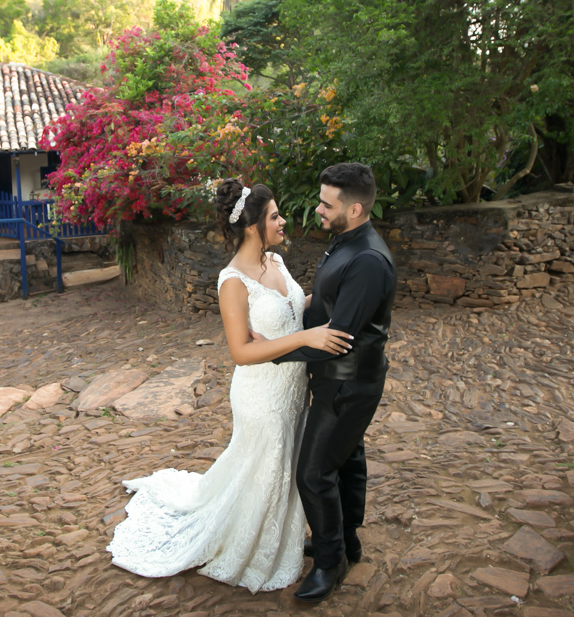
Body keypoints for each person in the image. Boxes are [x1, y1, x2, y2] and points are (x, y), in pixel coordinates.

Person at [106, 180, 354, 593]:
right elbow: (240, 351)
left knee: (285, 467)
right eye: (274, 216)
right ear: (254, 226)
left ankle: (282, 535)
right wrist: (305, 338)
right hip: (261, 395)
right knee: (267, 471)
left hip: (291, 388)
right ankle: (252, 545)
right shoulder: (233, 281)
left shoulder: (275, 261)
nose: (283, 221)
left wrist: (331, 302)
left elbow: (291, 307)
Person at [270, 163, 398, 603]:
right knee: (347, 461)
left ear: (355, 209)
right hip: (337, 381)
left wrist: (272, 351)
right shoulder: (346, 241)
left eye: (327, 204)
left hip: (347, 384)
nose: (318, 210)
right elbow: (327, 305)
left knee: (314, 473)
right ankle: (346, 542)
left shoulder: (367, 261)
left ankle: (330, 563)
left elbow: (337, 338)